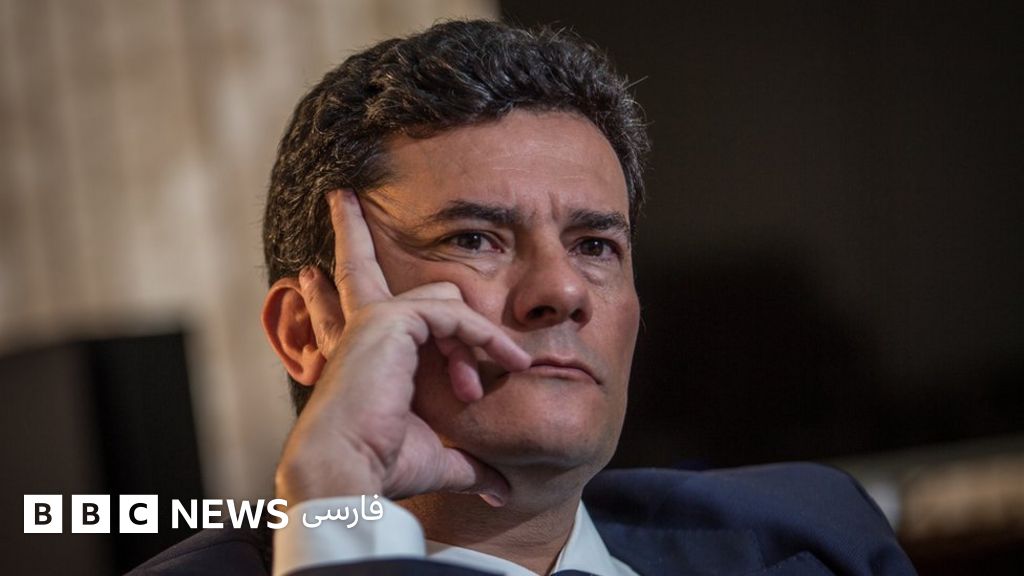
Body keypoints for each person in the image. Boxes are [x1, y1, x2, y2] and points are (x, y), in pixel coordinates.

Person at [129, 19, 916, 576]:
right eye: (475, 238)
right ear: (308, 331)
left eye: (595, 245)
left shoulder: (817, 531)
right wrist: (339, 503)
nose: (563, 290)